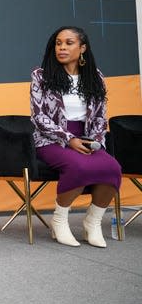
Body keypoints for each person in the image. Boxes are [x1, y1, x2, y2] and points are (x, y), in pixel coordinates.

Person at [31, 26, 122, 248]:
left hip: (87, 137)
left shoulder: (96, 77)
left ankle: (92, 222)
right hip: (51, 139)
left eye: (68, 43)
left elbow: (101, 115)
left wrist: (96, 140)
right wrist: (68, 138)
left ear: (82, 48)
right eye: (58, 43)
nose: (62, 47)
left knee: (112, 168)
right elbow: (38, 116)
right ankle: (59, 221)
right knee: (78, 166)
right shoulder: (41, 76)